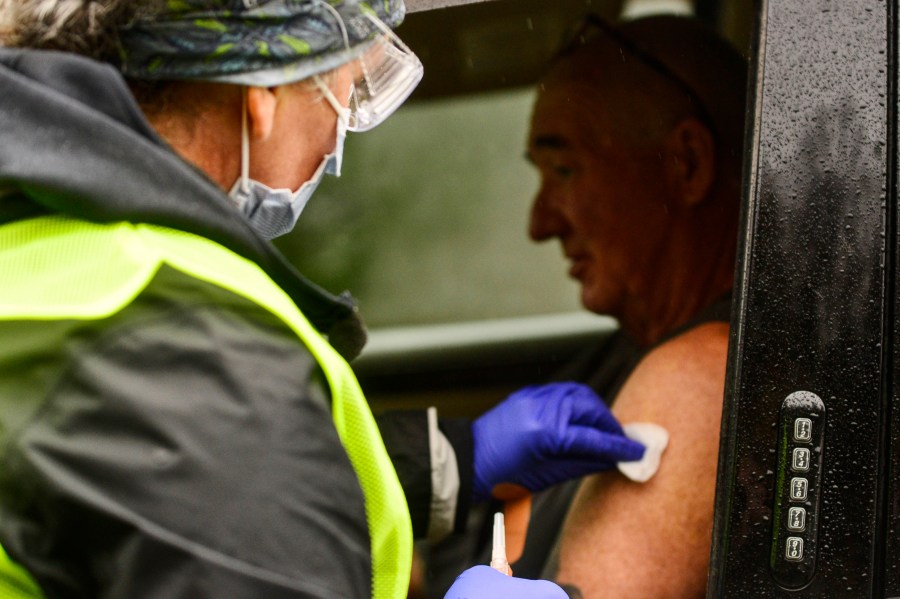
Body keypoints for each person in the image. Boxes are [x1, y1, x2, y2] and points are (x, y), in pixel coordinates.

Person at [0, 1, 645, 598]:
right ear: (265, 90)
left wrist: (452, 461)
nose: (338, 143)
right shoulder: (195, 357)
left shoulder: (49, 254)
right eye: (348, 95)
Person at [426, 13, 746, 599]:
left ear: (688, 164)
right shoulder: (618, 355)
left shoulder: (699, 375)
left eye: (565, 169)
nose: (538, 224)